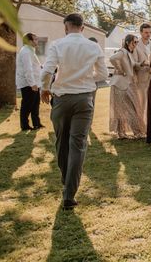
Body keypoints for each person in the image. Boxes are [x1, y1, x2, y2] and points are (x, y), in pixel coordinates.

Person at [40, 13, 108, 210]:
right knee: (78, 145)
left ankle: (66, 179)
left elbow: (47, 71)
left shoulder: (57, 44)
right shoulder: (93, 46)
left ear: (66, 27)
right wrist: (85, 78)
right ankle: (69, 193)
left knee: (62, 142)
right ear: (83, 27)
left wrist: (44, 88)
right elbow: (103, 74)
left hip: (61, 99)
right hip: (84, 99)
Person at [109, 34, 146, 140]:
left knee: (127, 108)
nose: (136, 44)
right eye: (134, 42)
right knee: (128, 108)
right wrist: (119, 69)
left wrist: (141, 65)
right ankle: (135, 132)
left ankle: (124, 133)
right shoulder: (122, 51)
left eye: (137, 42)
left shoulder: (128, 53)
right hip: (121, 84)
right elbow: (112, 58)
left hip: (126, 83)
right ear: (127, 42)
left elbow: (133, 64)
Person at [16, 32, 44, 131]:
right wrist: (32, 84)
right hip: (28, 84)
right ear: (29, 41)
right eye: (35, 39)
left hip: (36, 82)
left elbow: (36, 66)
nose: (37, 41)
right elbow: (28, 69)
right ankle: (25, 126)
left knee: (35, 104)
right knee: (27, 105)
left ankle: (37, 123)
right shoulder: (25, 52)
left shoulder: (31, 51)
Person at [133, 23, 151, 124]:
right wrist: (142, 64)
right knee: (141, 103)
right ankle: (141, 125)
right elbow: (133, 63)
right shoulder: (136, 45)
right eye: (146, 32)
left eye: (150, 32)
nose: (148, 34)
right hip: (141, 78)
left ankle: (150, 124)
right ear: (141, 32)